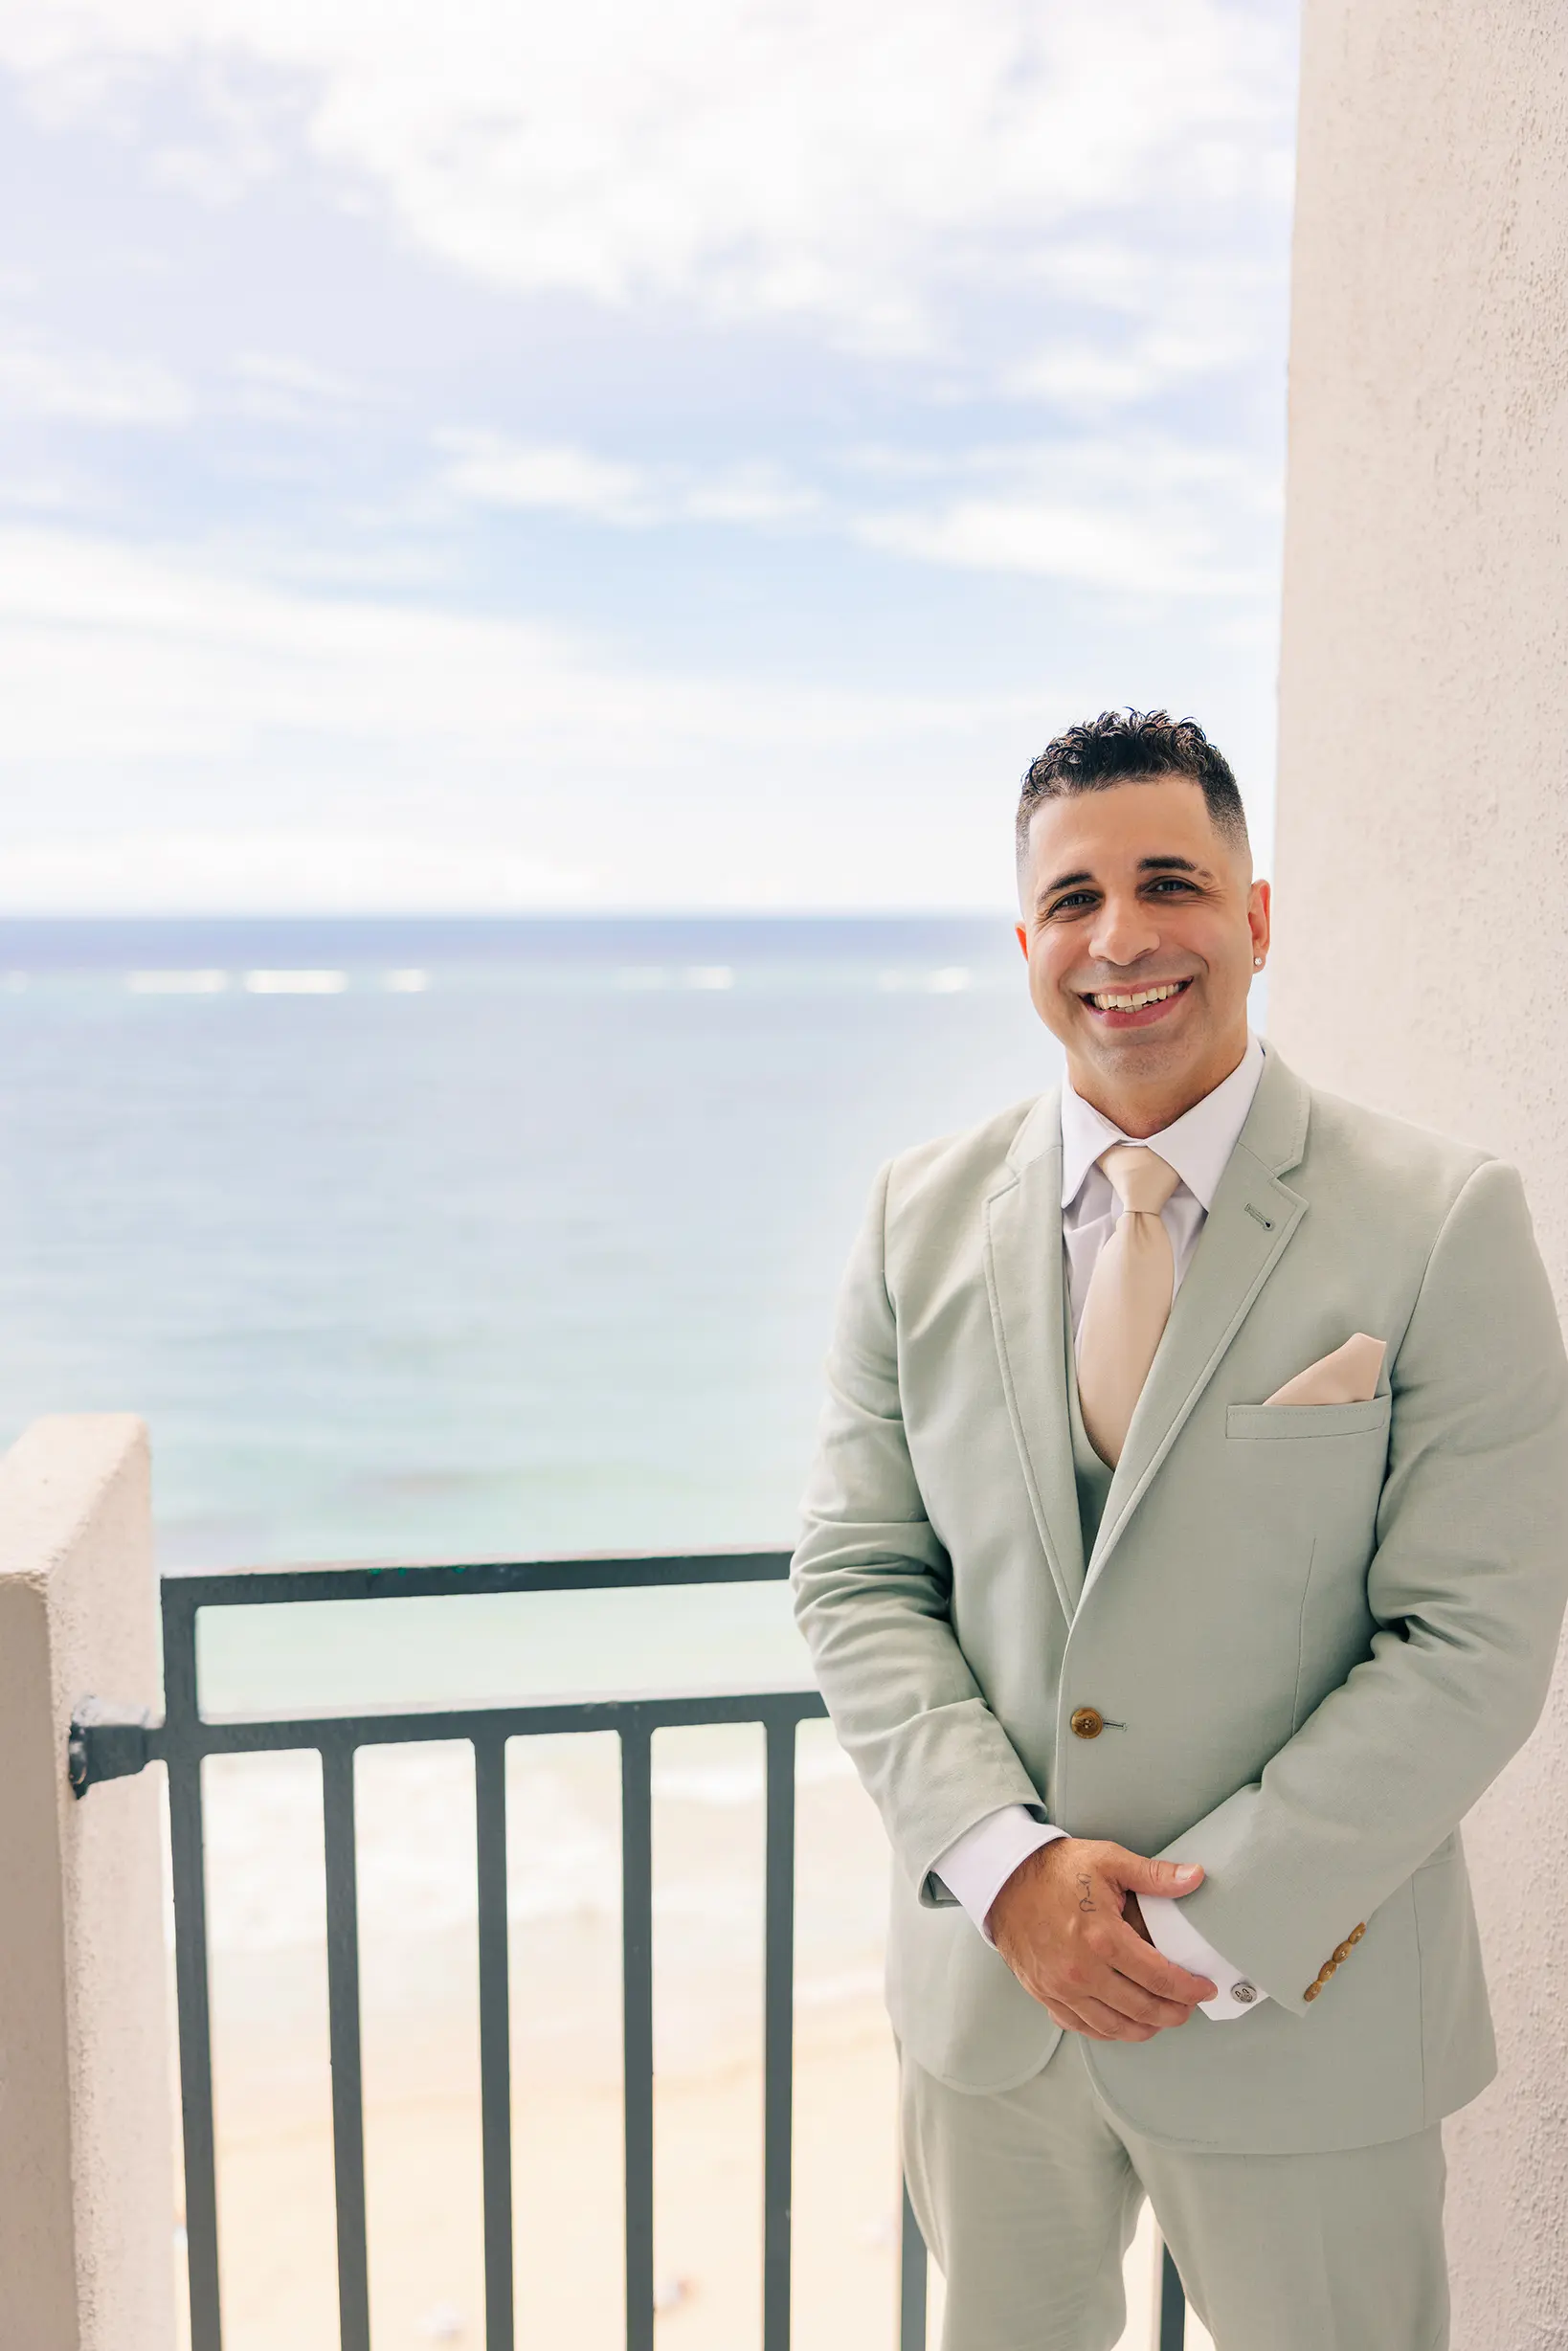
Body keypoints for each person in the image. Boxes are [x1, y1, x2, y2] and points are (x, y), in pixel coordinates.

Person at [791, 709, 1568, 2350]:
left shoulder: (1441, 1219)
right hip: (992, 2006)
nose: (1121, 938)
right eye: (1072, 899)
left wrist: (1192, 1926)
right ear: (1025, 944)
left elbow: (1474, 1636)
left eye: (1170, 884)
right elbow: (857, 1575)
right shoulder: (909, 1215)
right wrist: (1009, 1872)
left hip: (1305, 2000)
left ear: (1255, 917)